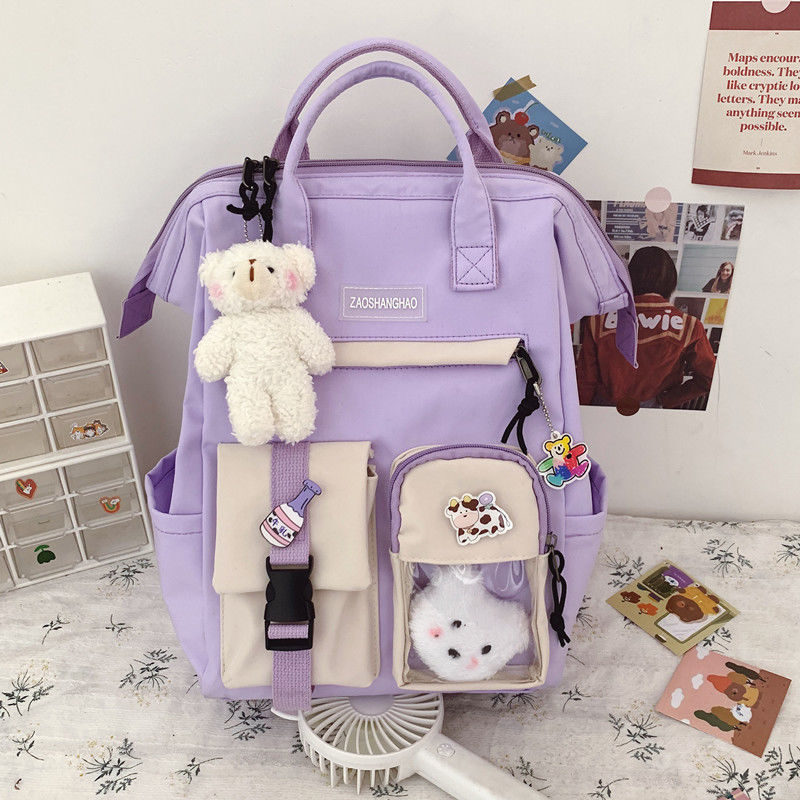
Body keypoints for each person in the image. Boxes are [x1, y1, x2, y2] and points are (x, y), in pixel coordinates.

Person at [577, 246, 716, 409]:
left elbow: (585, 380)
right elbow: (709, 377)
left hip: (603, 409)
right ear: (671, 281)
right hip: (655, 412)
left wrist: (580, 415)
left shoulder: (598, 320)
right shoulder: (690, 326)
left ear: (630, 277)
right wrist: (668, 399)